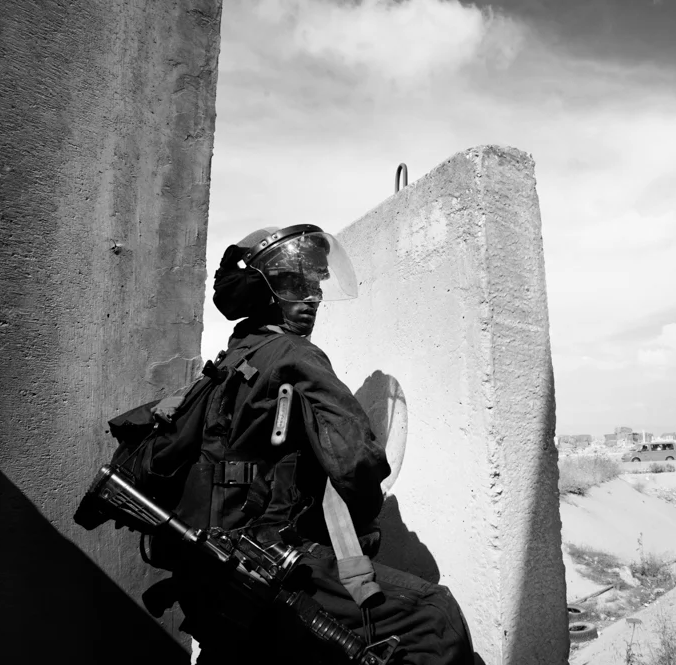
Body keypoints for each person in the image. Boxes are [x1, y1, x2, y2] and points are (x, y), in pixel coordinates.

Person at [168, 225, 476, 664]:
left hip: (211, 557)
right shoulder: (295, 355)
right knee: (434, 616)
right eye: (295, 283)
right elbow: (355, 461)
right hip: (267, 552)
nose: (311, 296)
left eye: (314, 284)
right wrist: (365, 512)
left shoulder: (235, 357)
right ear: (262, 292)